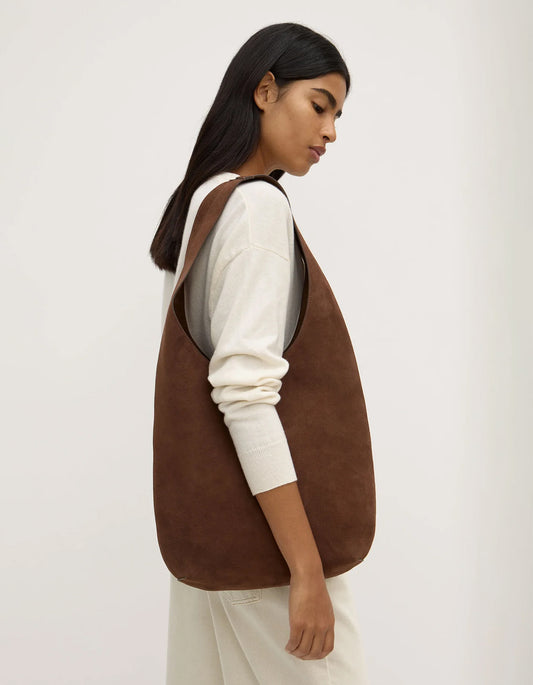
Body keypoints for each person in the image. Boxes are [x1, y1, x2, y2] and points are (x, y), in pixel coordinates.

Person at [149, 22, 371, 685]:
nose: (330, 131)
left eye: (337, 115)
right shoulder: (254, 209)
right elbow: (244, 393)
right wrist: (306, 570)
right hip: (268, 555)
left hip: (211, 550)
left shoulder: (202, 205)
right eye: (320, 105)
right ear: (265, 90)